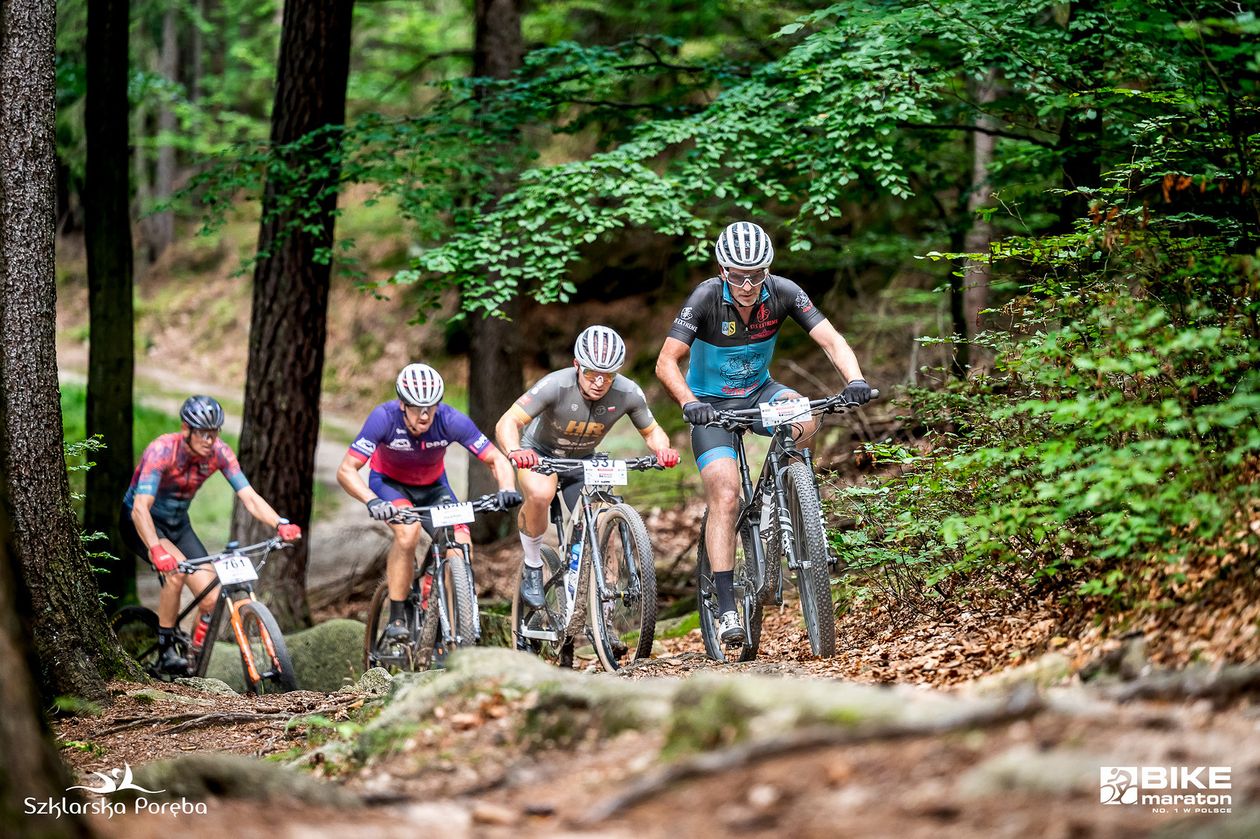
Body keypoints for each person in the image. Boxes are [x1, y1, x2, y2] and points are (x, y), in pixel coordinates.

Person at [655, 221, 873, 644]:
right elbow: (666, 362)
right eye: (738, 275)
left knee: (806, 417)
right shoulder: (704, 298)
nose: (748, 284)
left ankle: (785, 492)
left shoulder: (784, 292)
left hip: (761, 392)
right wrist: (690, 404)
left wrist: (855, 379)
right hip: (712, 406)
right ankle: (724, 608)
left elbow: (830, 339)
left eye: (757, 274)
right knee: (725, 493)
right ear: (722, 269)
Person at [496, 325, 679, 608]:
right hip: (540, 454)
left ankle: (603, 609)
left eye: (608, 376)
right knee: (541, 495)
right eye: (591, 373)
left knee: (603, 514)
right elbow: (508, 421)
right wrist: (515, 450)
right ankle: (533, 566)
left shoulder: (628, 392)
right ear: (576, 365)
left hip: (583, 460)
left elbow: (652, 431)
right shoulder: (556, 384)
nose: (599, 382)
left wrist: (663, 451)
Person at [337, 363, 521, 643]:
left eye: (430, 407)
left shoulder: (450, 420)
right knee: (408, 533)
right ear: (402, 404)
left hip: (434, 488)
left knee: (461, 544)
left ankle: (451, 621)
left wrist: (506, 488)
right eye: (416, 407)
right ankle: (398, 615)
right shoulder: (383, 418)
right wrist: (372, 500)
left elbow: (495, 458)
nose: (424, 416)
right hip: (389, 485)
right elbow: (346, 470)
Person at [121, 395, 302, 674]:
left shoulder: (220, 453)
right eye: (203, 433)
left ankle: (194, 660)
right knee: (177, 573)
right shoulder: (162, 451)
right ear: (186, 429)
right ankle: (166, 650)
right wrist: (156, 549)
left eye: (214, 432)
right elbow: (140, 508)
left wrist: (280, 523)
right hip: (141, 521)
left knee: (211, 597)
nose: (210, 439)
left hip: (178, 524)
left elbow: (249, 496)